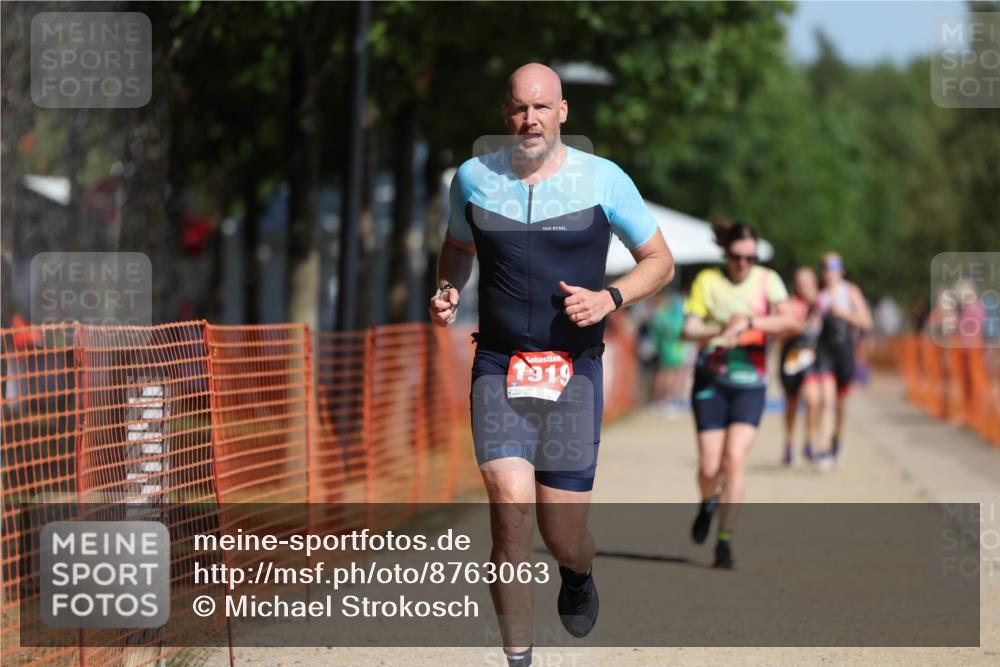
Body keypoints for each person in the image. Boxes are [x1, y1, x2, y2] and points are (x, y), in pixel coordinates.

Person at [428, 63, 674, 667]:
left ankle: (579, 571)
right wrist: (448, 286)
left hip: (575, 370)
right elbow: (458, 246)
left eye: (541, 107)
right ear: (504, 114)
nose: (529, 119)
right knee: (510, 519)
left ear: (563, 111)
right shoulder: (472, 179)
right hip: (499, 366)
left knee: (562, 535)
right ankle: (519, 660)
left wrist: (610, 298)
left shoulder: (605, 180)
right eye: (518, 108)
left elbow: (659, 261)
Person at [681, 220, 798, 568]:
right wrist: (721, 327)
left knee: (733, 461)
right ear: (726, 253)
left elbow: (791, 322)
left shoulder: (768, 281)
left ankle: (725, 541)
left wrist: (751, 323)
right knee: (709, 466)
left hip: (750, 384)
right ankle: (707, 503)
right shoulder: (708, 281)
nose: (743, 263)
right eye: (736, 256)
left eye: (750, 257)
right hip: (711, 381)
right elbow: (688, 330)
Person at [813, 252, 873, 468]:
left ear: (841, 270)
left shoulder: (850, 291)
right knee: (826, 400)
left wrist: (843, 314)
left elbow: (866, 322)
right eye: (824, 267)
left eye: (832, 267)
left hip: (845, 350)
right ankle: (824, 448)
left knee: (839, 403)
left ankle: (837, 439)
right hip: (824, 350)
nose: (828, 272)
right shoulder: (819, 295)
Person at [777, 267, 827, 465]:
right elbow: (779, 334)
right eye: (801, 283)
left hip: (812, 360)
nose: (805, 287)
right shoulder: (790, 306)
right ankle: (789, 442)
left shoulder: (822, 306)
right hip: (791, 359)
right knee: (791, 404)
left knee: (813, 400)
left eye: (809, 283)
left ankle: (808, 440)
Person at [648, 291, 690, 416]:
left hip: (673, 349)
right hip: (670, 349)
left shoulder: (665, 314)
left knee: (670, 374)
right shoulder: (665, 315)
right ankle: (665, 399)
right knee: (668, 375)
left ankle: (666, 399)